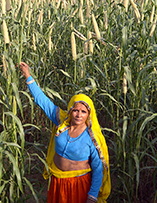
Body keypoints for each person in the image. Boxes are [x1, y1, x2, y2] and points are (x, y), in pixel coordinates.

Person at [19, 62, 111, 203]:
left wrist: (92, 196)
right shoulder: (62, 122)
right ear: (70, 110)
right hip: (57, 182)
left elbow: (98, 169)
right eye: (76, 110)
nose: (79, 115)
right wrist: (27, 75)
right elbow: (42, 101)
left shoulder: (92, 137)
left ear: (89, 115)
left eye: (83, 112)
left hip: (78, 185)